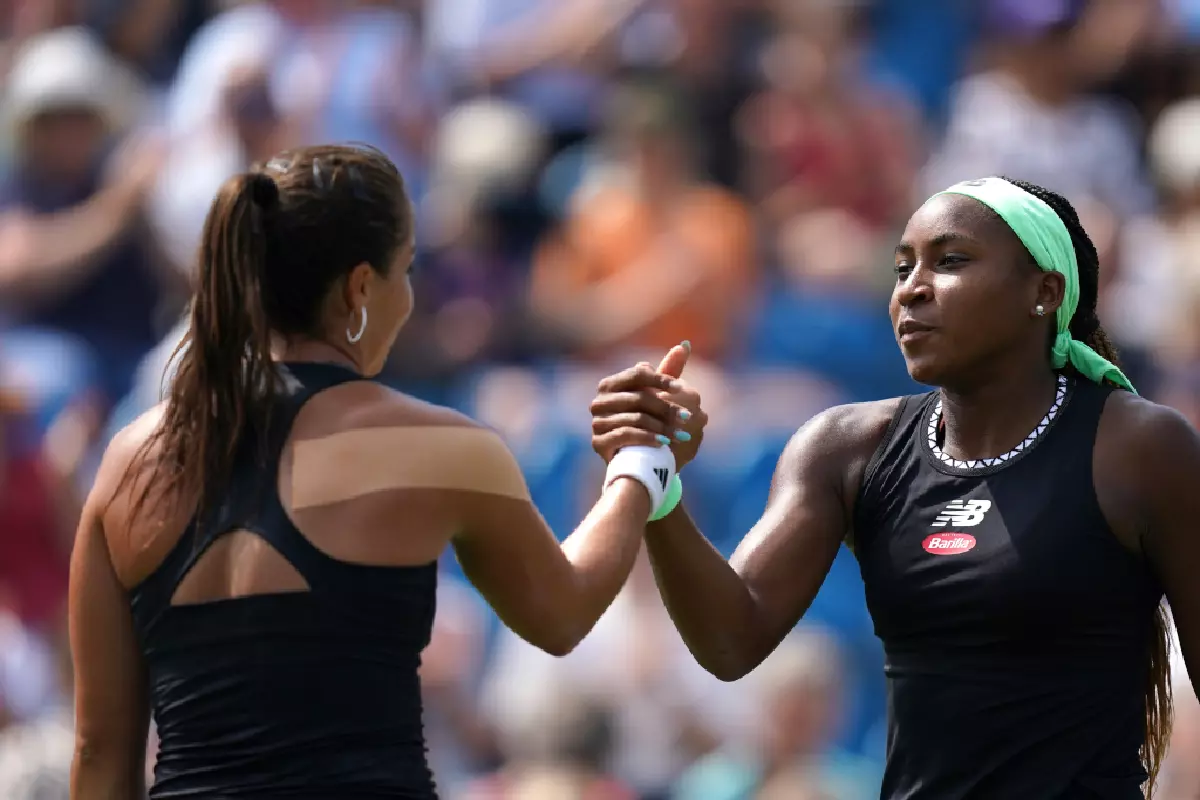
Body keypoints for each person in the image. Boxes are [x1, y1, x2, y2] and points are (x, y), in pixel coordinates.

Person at [67, 143, 695, 799]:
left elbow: (100, 749)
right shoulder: (437, 447)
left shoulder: (129, 460)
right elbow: (562, 614)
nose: (410, 297)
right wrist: (640, 467)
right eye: (408, 270)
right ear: (361, 288)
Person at [589, 176, 1200, 798]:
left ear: (1044, 292)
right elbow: (730, 640)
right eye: (902, 268)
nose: (913, 289)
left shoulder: (1141, 448)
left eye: (951, 261)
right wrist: (658, 486)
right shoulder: (844, 449)